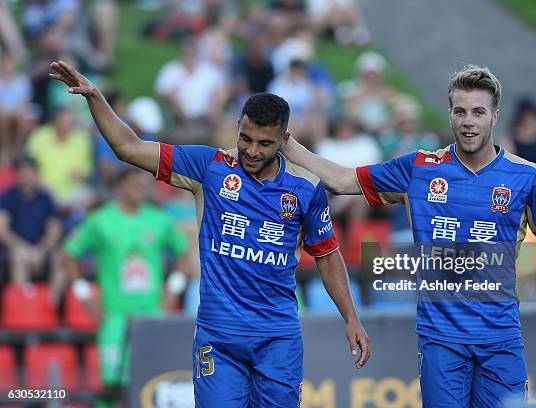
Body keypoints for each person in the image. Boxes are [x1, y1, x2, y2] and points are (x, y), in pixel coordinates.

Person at [282, 65, 536, 407]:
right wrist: (288, 145)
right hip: (442, 340)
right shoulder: (418, 169)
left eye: (478, 112)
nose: (469, 121)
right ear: (451, 115)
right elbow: (343, 180)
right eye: (460, 111)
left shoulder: (526, 177)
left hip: (500, 338)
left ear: (494, 117)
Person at [50, 60, 370, 407]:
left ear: (284, 140)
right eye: (245, 138)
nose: (251, 150)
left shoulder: (305, 187)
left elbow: (326, 254)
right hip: (219, 336)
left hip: (277, 336)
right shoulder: (210, 167)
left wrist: (351, 317)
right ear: (237, 126)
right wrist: (96, 98)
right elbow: (128, 147)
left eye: (264, 143)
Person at [64, 167, 190, 408]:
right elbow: (70, 253)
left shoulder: (158, 220)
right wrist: (84, 294)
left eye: (145, 186)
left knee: (149, 380)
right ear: (120, 187)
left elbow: (183, 251)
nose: (142, 190)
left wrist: (172, 291)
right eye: (136, 185)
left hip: (151, 316)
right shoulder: (101, 220)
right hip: (114, 315)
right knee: (111, 384)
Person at [0, 156, 63, 301]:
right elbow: (2, 229)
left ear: (36, 174)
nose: (26, 175)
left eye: (29, 171)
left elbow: (54, 230)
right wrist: (22, 248)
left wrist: (41, 249)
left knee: (61, 258)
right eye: (22, 171)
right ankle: (24, 306)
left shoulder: (46, 198)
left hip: (42, 248)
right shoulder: (8, 197)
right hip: (16, 248)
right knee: (19, 258)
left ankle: (50, 305)